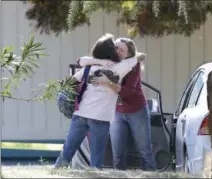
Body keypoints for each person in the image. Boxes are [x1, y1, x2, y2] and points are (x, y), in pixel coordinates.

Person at [54, 34, 145, 169]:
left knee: (68, 150)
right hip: (100, 118)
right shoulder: (119, 67)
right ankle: (95, 174)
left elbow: (70, 81)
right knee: (96, 156)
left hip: (81, 114)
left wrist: (96, 62)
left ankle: (57, 171)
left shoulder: (88, 68)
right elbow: (140, 57)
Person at [78, 37, 157, 171]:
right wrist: (98, 61)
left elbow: (126, 92)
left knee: (145, 150)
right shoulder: (109, 61)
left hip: (136, 110)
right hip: (116, 112)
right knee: (118, 154)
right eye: (116, 48)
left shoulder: (133, 66)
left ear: (129, 54)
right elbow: (81, 61)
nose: (118, 52)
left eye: (122, 50)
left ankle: (150, 174)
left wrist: (106, 82)